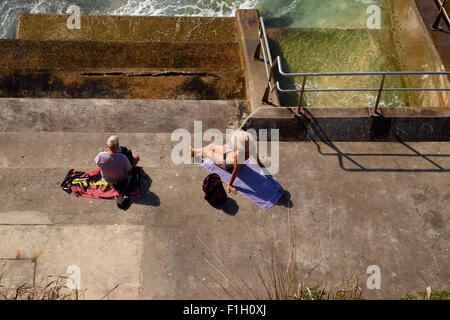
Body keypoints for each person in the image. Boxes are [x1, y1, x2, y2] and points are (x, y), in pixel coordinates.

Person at [187, 130, 266, 194]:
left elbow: (235, 171)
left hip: (226, 163)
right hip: (230, 154)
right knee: (212, 146)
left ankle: (195, 152)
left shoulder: (239, 155)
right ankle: (194, 151)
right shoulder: (251, 147)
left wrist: (230, 184)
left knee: (208, 152)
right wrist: (262, 166)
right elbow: (256, 157)